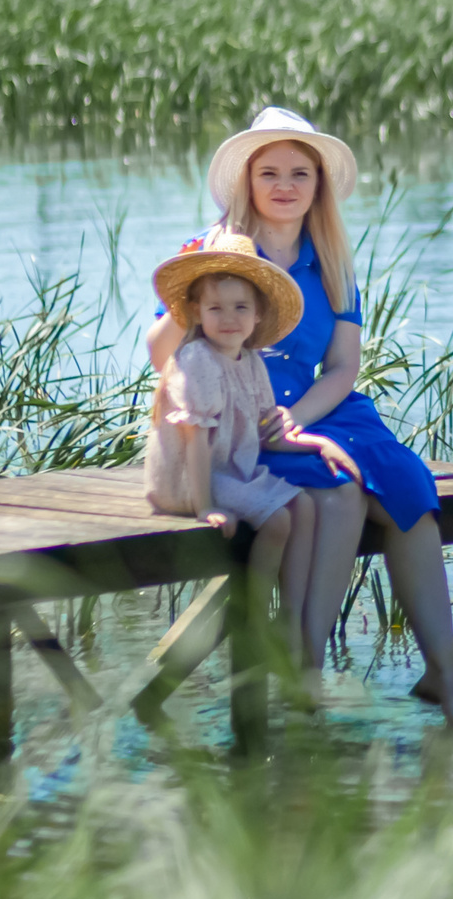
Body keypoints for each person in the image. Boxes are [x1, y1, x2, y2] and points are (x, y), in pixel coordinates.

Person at [146, 106, 453, 729]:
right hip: (246, 419)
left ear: (319, 185)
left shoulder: (332, 262)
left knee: (410, 488)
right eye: (269, 171)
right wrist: (195, 277)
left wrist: (295, 418)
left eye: (301, 173)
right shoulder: (217, 249)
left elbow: (343, 369)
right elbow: (161, 354)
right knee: (341, 491)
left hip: (323, 410)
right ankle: (307, 664)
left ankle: (444, 673)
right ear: (247, 181)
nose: (285, 185)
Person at [143, 232, 359, 695]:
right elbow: (195, 441)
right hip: (189, 477)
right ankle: (253, 614)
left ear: (258, 315)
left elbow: (267, 435)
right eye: (216, 308)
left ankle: (291, 617)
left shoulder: (250, 362)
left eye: (241, 308)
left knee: (302, 505)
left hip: (229, 469)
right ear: (197, 314)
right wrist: (203, 509)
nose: (228, 319)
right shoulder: (198, 360)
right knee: (278, 520)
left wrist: (317, 447)